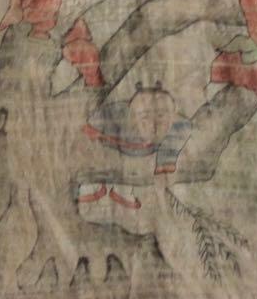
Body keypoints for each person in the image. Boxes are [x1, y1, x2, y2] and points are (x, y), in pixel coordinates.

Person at [78, 82, 193, 210]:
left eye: (161, 116)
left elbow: (184, 126)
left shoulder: (176, 125)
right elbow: (93, 124)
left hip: (146, 151)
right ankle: (93, 186)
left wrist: (166, 161)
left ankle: (122, 191)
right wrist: (94, 130)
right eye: (145, 118)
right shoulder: (119, 113)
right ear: (133, 117)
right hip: (114, 144)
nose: (153, 124)